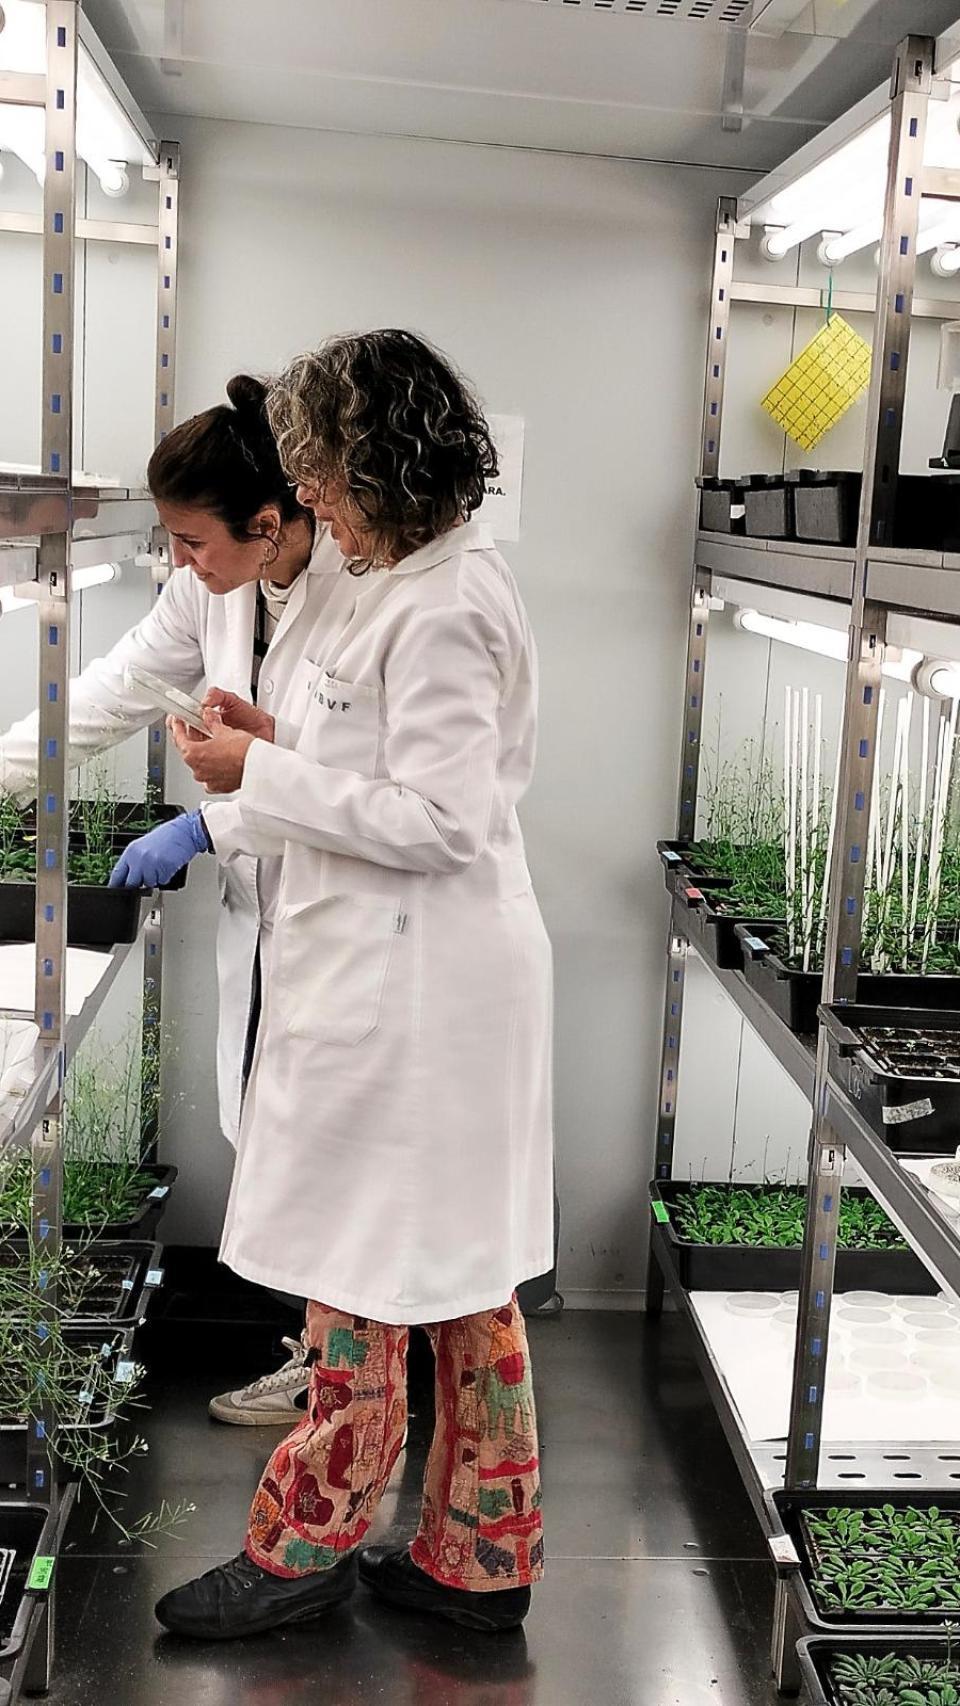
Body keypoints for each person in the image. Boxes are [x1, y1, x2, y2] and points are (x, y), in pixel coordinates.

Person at [140, 330, 554, 1640]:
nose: (310, 500)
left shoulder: (446, 606)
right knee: (439, 1276)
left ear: (386, 461)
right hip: (384, 969)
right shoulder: (399, 583)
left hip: (419, 993)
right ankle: (477, 1555)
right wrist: (271, 745)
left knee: (370, 1269)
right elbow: (363, 768)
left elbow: (439, 818)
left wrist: (256, 778)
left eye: (324, 477)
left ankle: (303, 1545)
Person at [0, 376, 343, 1424]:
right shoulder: (214, 587)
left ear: (270, 523)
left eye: (194, 541)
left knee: (329, 1141)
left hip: (345, 907)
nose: (181, 563)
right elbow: (120, 684)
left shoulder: (358, 596)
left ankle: (340, 1375)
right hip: (267, 907)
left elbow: (355, 775)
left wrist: (209, 822)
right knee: (274, 1123)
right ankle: (326, 1353)